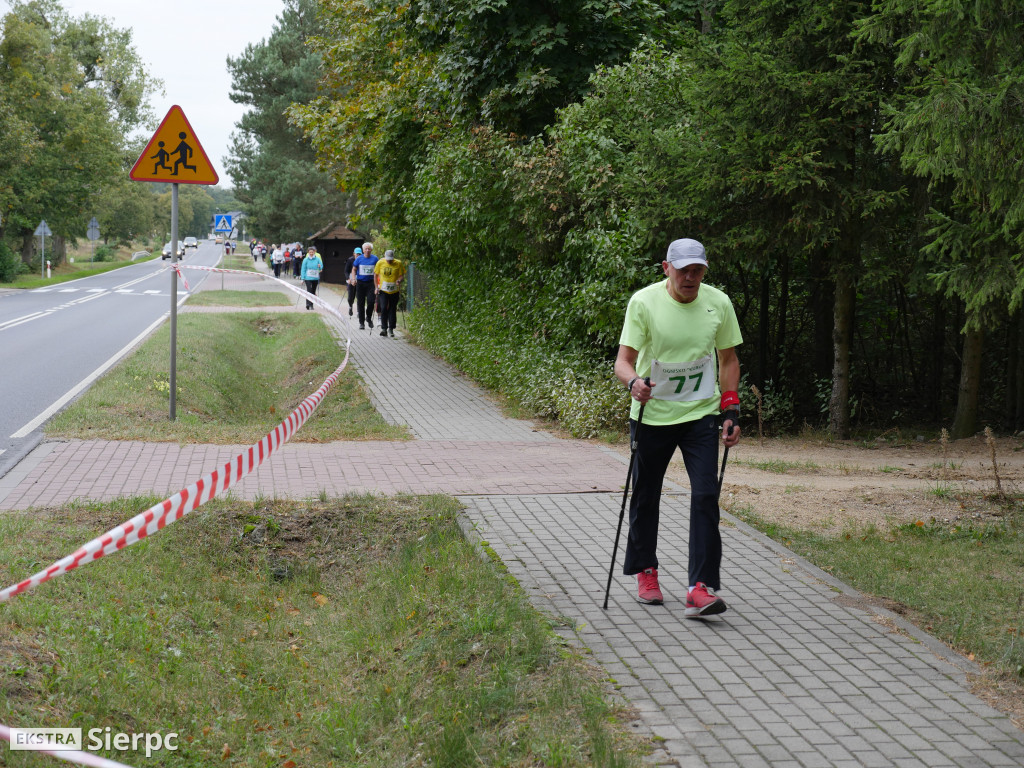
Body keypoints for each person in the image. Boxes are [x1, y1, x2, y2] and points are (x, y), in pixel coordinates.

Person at [613, 237, 742, 615]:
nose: (690, 276)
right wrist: (634, 383)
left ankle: (699, 586)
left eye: (697, 269)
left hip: (699, 415)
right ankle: (646, 570)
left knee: (705, 496)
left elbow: (729, 359)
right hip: (652, 416)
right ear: (666, 268)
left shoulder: (718, 303)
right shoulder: (644, 302)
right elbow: (623, 361)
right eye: (683, 269)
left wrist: (730, 410)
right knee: (646, 495)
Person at [373, 250, 405, 337]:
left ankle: (391, 329)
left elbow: (402, 275)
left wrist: (399, 280)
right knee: (383, 308)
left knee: (392, 308)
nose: (389, 261)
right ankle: (384, 328)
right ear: (385, 257)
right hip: (383, 290)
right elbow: (375, 275)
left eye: (391, 259)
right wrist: (376, 287)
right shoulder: (380, 262)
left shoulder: (398, 263)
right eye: (388, 259)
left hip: (394, 290)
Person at [351, 242, 378, 329]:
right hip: (360, 283)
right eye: (365, 249)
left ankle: (368, 317)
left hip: (371, 283)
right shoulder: (359, 259)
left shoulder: (375, 259)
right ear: (363, 250)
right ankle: (361, 323)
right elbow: (354, 269)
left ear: (371, 250)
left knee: (371, 302)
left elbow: (378, 272)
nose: (367, 250)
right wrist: (353, 279)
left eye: (369, 249)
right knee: (360, 303)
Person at [300, 245, 323, 310]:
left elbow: (321, 267)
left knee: (313, 291)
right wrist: (302, 278)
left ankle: (311, 305)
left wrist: (319, 266)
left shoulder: (317, 259)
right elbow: (303, 269)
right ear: (308, 252)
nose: (311, 253)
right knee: (309, 290)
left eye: (312, 252)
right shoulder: (305, 260)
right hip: (308, 278)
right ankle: (308, 304)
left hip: (315, 278)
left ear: (314, 252)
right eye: (310, 252)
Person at [344, 247, 361, 317]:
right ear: (354, 254)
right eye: (357, 254)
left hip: (360, 280)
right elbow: (346, 271)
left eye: (359, 254)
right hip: (351, 279)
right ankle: (350, 307)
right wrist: (348, 278)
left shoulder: (362, 260)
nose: (358, 255)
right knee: (351, 296)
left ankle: (358, 311)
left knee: (359, 296)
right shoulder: (350, 260)